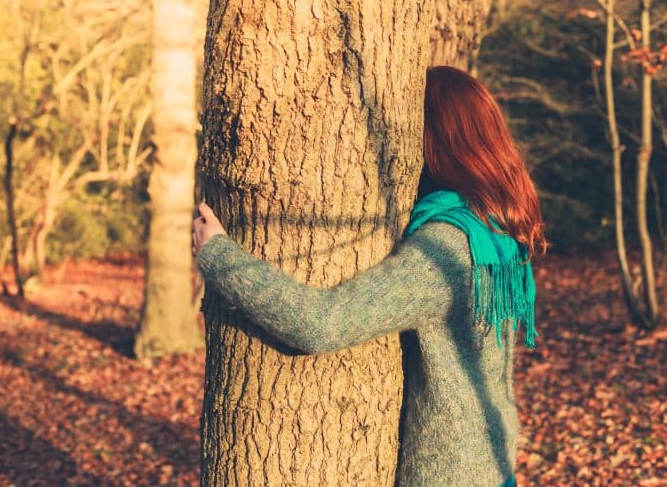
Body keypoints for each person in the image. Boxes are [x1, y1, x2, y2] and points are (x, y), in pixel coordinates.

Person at [192, 65, 546, 487]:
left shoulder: (447, 247)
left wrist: (220, 256)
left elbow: (322, 324)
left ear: (429, 139)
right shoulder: (496, 233)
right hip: (493, 464)